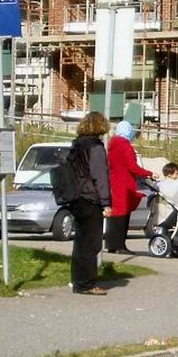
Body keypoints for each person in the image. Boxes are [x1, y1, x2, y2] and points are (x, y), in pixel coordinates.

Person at [69, 111, 112, 296]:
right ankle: (87, 282)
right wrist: (106, 203)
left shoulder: (76, 145)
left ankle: (78, 280)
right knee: (92, 243)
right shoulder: (95, 147)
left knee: (80, 241)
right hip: (90, 198)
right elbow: (100, 176)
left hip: (75, 197)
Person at [106, 121, 154, 254]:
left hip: (114, 181)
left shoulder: (112, 145)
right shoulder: (125, 146)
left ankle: (112, 244)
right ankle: (120, 245)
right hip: (124, 183)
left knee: (115, 214)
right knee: (123, 215)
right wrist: (149, 173)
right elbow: (132, 167)